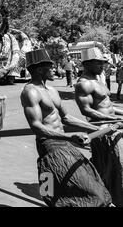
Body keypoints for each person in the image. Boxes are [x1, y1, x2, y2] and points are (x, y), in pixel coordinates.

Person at [20, 48, 112, 207]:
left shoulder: (52, 90)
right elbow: (36, 126)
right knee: (75, 191)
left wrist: (94, 129)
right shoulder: (30, 92)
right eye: (50, 66)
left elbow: (66, 118)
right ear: (39, 69)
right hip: (49, 147)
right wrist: (70, 137)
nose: (54, 69)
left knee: (92, 182)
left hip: (65, 144)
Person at [75, 48, 123, 206]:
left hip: (112, 125)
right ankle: (108, 198)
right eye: (98, 63)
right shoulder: (83, 83)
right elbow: (86, 110)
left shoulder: (99, 80)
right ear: (87, 64)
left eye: (103, 63)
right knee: (113, 164)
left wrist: (120, 113)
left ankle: (111, 196)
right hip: (101, 129)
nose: (103, 66)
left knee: (113, 166)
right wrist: (113, 118)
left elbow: (107, 105)